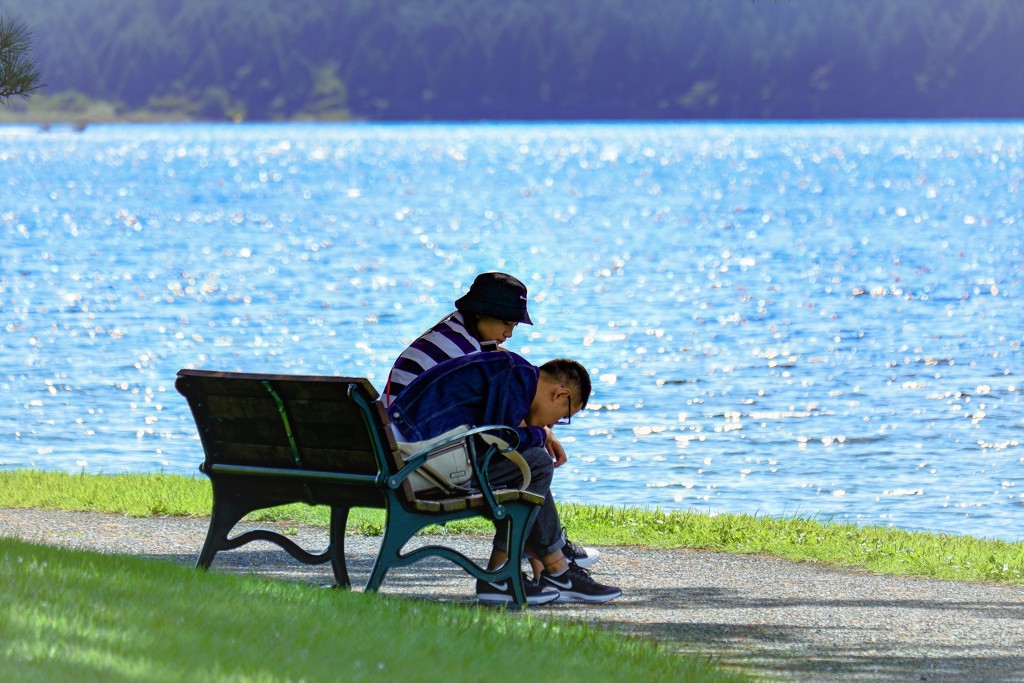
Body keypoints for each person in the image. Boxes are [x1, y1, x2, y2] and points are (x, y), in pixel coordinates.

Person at [384, 272, 600, 570]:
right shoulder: (463, 352)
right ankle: (542, 559)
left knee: (526, 457)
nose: (509, 333)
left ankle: (545, 553)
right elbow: (496, 430)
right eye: (507, 324)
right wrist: (539, 432)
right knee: (530, 461)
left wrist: (542, 427)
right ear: (482, 314)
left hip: (395, 453)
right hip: (419, 463)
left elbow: (505, 381)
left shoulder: (455, 336)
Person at [387, 351, 622, 606]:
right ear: (560, 395)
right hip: (420, 466)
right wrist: (539, 436)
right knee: (537, 463)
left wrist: (532, 436)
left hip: (406, 459)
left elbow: (493, 437)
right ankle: (505, 575)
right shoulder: (515, 376)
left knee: (527, 466)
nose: (553, 424)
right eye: (563, 417)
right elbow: (500, 438)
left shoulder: (508, 370)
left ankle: (554, 571)